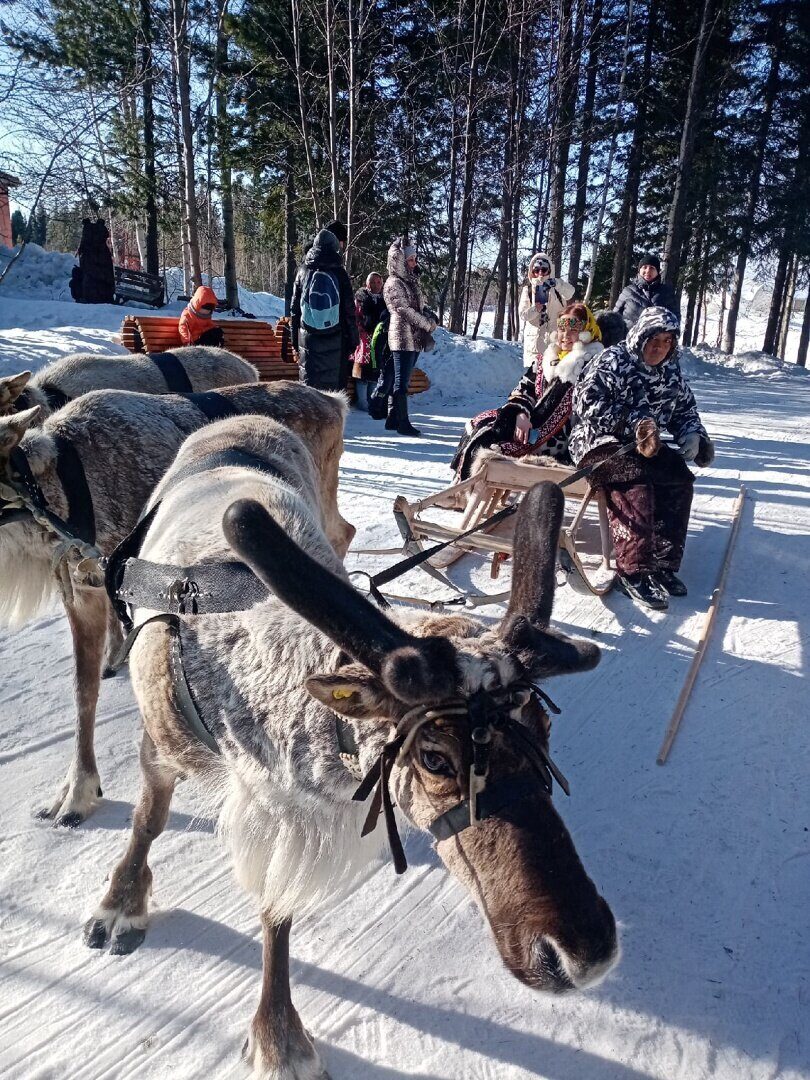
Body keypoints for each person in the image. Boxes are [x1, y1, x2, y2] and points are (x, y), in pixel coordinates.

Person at [569, 306, 715, 611]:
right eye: (653, 339)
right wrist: (633, 423)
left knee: (678, 475)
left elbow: (685, 410)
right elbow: (585, 404)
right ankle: (632, 571)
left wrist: (693, 434)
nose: (658, 347)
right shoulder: (613, 360)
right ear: (640, 336)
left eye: (666, 341)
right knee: (634, 479)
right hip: (599, 442)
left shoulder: (671, 370)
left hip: (646, 444)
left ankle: (662, 562)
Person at [451, 303, 603, 480]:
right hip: (531, 424)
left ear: (586, 332)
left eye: (573, 329)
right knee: (479, 422)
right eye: (562, 329)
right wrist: (520, 414)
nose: (566, 336)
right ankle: (459, 489)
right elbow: (524, 388)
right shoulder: (547, 359)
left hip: (560, 438)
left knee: (490, 439)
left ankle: (465, 492)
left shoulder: (591, 364)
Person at [290, 228, 358, 391]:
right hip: (336, 338)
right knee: (333, 394)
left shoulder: (302, 272)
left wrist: (294, 340)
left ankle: (309, 417)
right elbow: (350, 311)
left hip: (308, 339)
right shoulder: (340, 273)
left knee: (310, 390)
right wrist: (353, 340)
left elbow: (294, 310)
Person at [382, 237, 435, 437]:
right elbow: (403, 310)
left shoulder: (410, 281)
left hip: (414, 337)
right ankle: (402, 422)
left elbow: (417, 306)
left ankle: (392, 418)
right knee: (401, 382)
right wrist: (426, 323)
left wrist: (429, 315)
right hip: (402, 336)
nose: (415, 263)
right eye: (411, 259)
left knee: (402, 380)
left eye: (415, 259)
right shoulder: (393, 283)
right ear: (400, 261)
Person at [518, 252, 575, 367]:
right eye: (536, 270)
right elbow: (523, 315)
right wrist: (535, 309)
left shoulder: (558, 288)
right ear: (532, 271)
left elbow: (570, 293)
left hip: (554, 343)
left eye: (544, 269)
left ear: (549, 270)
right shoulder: (528, 290)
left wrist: (557, 283)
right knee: (533, 381)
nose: (540, 273)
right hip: (534, 345)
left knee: (552, 380)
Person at [614, 253, 679, 331]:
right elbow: (615, 317)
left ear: (658, 272)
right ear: (639, 270)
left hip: (656, 341)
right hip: (628, 339)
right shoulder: (628, 291)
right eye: (644, 267)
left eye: (652, 268)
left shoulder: (667, 293)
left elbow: (675, 318)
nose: (648, 271)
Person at [351, 272, 387, 411]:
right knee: (363, 373)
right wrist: (363, 332)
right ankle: (362, 403)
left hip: (380, 339)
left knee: (375, 371)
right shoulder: (361, 299)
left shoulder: (385, 300)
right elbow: (356, 318)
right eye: (373, 282)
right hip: (364, 340)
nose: (376, 285)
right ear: (367, 284)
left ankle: (372, 401)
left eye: (379, 282)